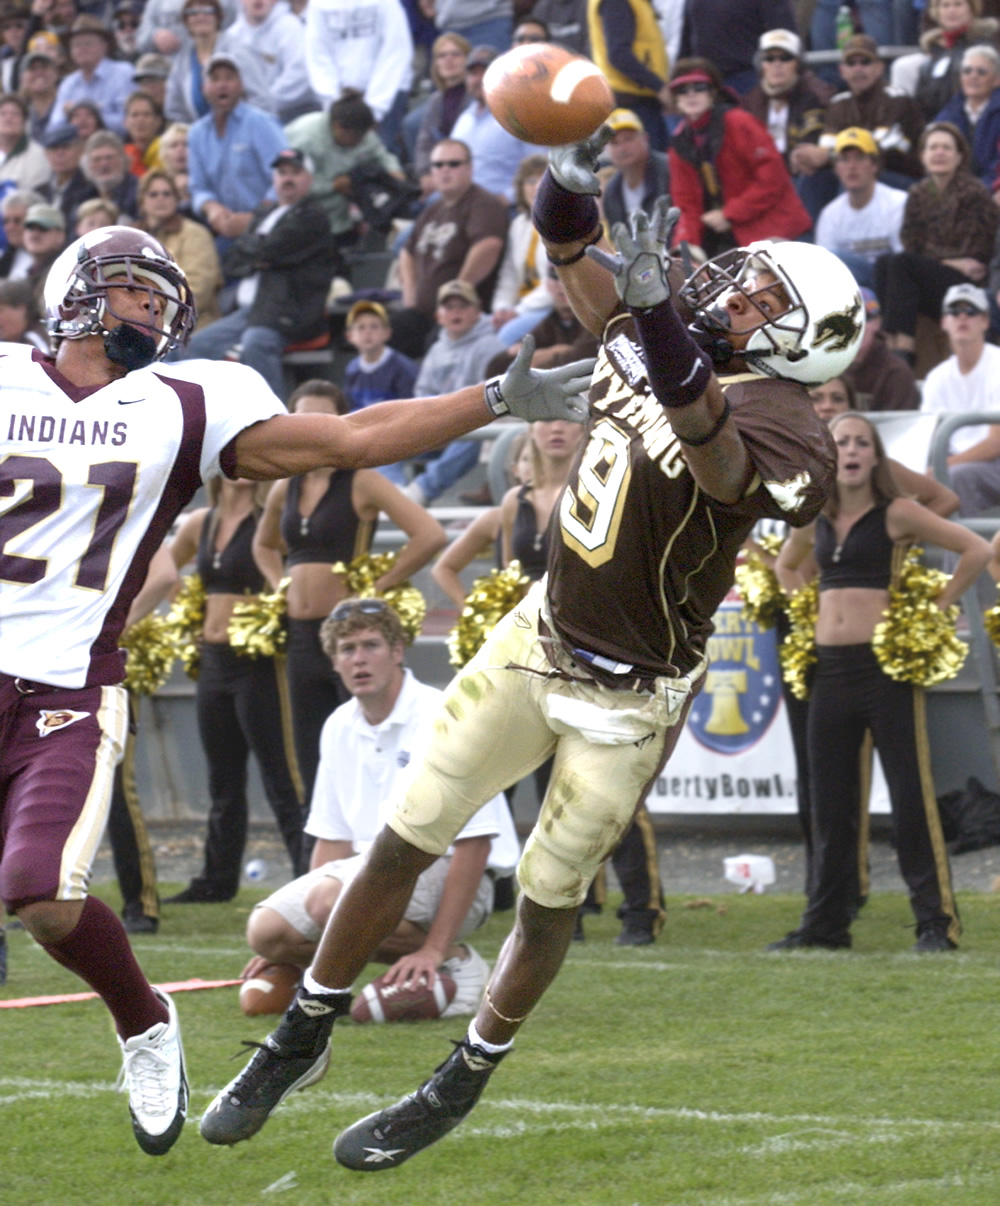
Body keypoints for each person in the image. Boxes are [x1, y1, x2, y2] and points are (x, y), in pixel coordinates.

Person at [198, 129, 863, 1164]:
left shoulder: (790, 423)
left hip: (629, 693)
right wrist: (566, 177)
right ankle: (299, 1030)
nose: (732, 293)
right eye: (745, 278)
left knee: (551, 898)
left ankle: (463, 1073)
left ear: (799, 346)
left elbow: (719, 458)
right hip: (538, 630)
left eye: (761, 300)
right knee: (401, 835)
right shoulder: (659, 328)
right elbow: (568, 255)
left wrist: (652, 312)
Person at [0, 220, 591, 1157]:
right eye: (134, 293)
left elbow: (351, 436)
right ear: (73, 292)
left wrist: (491, 399)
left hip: (65, 688)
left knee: (42, 895)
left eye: (164, 298)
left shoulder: (187, 401)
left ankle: (145, 1019)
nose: (153, 312)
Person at [768, 411, 990, 952]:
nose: (850, 450)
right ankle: (826, 926)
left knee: (911, 799)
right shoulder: (812, 515)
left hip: (884, 670)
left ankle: (935, 924)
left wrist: (937, 607)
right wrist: (806, 607)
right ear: (828, 452)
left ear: (874, 457)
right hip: (829, 672)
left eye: (861, 443)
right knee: (831, 803)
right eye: (841, 441)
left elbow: (977, 549)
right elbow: (785, 567)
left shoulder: (898, 512)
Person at [240, 599, 517, 1016]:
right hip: (367, 874)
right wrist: (298, 948)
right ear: (333, 662)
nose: (359, 659)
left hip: (454, 874)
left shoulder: (444, 715)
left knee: (331, 901)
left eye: (371, 645)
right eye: (347, 650)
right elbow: (332, 840)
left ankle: (454, 960)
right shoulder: (337, 725)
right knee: (267, 932)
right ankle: (333, 974)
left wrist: (433, 946)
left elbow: (476, 843)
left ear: (398, 651)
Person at [252, 380, 448, 806]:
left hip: (351, 636)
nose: (313, 427)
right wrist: (278, 587)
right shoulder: (285, 486)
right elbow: (264, 545)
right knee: (309, 750)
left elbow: (429, 535)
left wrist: (376, 588)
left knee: (369, 742)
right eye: (302, 417)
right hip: (302, 638)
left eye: (325, 417)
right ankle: (317, 856)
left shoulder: (361, 481)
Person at [165, 476, 307, 903]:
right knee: (222, 780)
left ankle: (306, 877)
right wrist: (188, 617)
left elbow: (291, 573)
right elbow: (165, 570)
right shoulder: (199, 522)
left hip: (259, 663)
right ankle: (218, 879)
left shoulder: (271, 520)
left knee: (280, 774)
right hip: (212, 662)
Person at [180, 148, 337, 396]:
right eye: (282, 172)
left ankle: (274, 423)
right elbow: (233, 259)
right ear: (273, 179)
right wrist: (260, 252)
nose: (287, 178)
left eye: (296, 172)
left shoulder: (313, 215)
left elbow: (272, 250)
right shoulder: (265, 212)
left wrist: (256, 248)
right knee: (192, 346)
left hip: (288, 312)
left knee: (256, 343)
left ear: (309, 179)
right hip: (249, 312)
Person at [873, 121, 999, 366]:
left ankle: (904, 347)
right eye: (933, 148)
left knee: (902, 262)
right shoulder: (918, 192)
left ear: (959, 156)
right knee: (884, 262)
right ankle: (890, 342)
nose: (939, 153)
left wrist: (942, 261)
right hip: (933, 273)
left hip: (967, 282)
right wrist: (949, 260)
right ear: (923, 155)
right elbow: (910, 242)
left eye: (946, 148)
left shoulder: (974, 193)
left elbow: (977, 251)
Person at [668, 57, 811, 258]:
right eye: (682, 90)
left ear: (712, 93)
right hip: (735, 241)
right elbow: (686, 203)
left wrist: (730, 214)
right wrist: (685, 246)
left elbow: (773, 178)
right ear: (676, 99)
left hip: (779, 232)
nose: (691, 95)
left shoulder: (739, 123)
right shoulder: (679, 144)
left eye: (699, 87)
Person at [392, 136, 509, 358]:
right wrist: (410, 297)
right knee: (384, 334)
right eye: (438, 164)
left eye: (454, 164)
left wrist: (456, 295)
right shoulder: (432, 209)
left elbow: (488, 247)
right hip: (423, 313)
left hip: (461, 315)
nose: (445, 170)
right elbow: (407, 251)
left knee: (434, 348)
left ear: (470, 168)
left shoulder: (483, 204)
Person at [402, 279, 507, 507]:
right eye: (449, 307)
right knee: (384, 437)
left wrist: (448, 423)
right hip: (436, 425)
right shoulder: (436, 350)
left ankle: (422, 490)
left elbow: (489, 400)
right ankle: (395, 491)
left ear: (478, 311)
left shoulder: (490, 346)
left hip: (469, 425)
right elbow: (422, 394)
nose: (456, 312)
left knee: (479, 429)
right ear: (439, 315)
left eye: (463, 306)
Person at [793, 34, 926, 199]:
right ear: (842, 71)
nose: (858, 69)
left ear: (879, 68)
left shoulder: (897, 99)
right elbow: (827, 146)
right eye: (851, 63)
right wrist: (806, 156)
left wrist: (828, 156)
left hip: (903, 180)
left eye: (865, 62)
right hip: (864, 176)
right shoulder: (838, 103)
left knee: (854, 175)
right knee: (812, 178)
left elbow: (884, 151)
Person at [187, 52, 287, 247]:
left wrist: (254, 218)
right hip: (223, 231)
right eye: (214, 79)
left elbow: (284, 177)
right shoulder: (196, 133)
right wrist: (211, 208)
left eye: (229, 78)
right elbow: (197, 187)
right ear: (204, 88)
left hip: (271, 227)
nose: (222, 84)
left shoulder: (260, 123)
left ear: (241, 85)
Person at [284, 92, 406, 247]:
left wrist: (395, 172)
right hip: (302, 216)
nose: (361, 142)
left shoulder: (362, 132)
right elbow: (288, 185)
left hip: (343, 216)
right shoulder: (304, 139)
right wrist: (332, 185)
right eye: (357, 138)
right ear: (338, 127)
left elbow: (382, 155)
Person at [919, 282, 1000, 516]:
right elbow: (928, 438)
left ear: (985, 321)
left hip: (992, 463)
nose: (962, 317)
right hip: (952, 461)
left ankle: (967, 551)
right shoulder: (936, 377)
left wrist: (942, 468)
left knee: (957, 477)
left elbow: (995, 444)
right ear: (944, 322)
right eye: (954, 311)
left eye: (971, 311)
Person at [304, 0, 413, 153]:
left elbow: (396, 50)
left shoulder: (388, 3)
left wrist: (374, 109)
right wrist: (336, 104)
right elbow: (318, 55)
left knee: (382, 155)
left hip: (387, 95)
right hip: (341, 100)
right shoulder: (318, 5)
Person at [450, 45, 547, 205]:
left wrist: (506, 198)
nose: (479, 79)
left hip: (504, 206)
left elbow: (540, 169)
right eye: (474, 74)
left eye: (486, 72)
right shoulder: (464, 119)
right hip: (461, 204)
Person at [814, 127, 908, 290]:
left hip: (891, 283)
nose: (852, 166)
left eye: (859, 158)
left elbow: (904, 260)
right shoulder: (830, 214)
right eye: (844, 159)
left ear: (874, 165)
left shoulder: (899, 203)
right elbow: (824, 271)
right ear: (836, 169)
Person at [342, 300, 419, 481]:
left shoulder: (403, 368)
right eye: (360, 327)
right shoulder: (352, 369)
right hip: (361, 439)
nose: (367, 332)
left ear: (387, 333)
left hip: (393, 439)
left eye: (374, 326)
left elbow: (410, 413)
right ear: (350, 336)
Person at [136, 168, 221, 328]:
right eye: (153, 194)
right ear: (142, 202)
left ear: (177, 199)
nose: (161, 198)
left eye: (167, 194)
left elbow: (197, 291)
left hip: (191, 328)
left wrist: (153, 310)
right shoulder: (132, 237)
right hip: (140, 325)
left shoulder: (195, 234)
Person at [164, 0, 267, 125]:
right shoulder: (182, 60)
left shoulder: (239, 50)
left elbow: (261, 99)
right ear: (186, 21)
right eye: (193, 12)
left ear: (218, 17)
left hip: (243, 133)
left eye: (208, 11)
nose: (201, 16)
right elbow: (174, 108)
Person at [587, 0, 670, 149]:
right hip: (633, 100)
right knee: (648, 164)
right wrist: (659, 87)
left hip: (639, 97)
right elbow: (619, 55)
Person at [490, 154, 552, 347]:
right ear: (520, 187)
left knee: (504, 339)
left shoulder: (563, 224)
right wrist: (502, 308)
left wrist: (518, 311)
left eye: (543, 180)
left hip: (550, 307)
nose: (536, 186)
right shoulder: (518, 224)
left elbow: (556, 284)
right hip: (519, 307)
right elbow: (508, 274)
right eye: (531, 181)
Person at [225, 0, 314, 125]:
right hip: (248, 115)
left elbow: (299, 74)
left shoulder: (290, 26)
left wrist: (265, 103)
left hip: (292, 113)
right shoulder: (233, 35)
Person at [49, 14, 135, 137]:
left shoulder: (123, 73)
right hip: (77, 150)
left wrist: (90, 114)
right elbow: (53, 128)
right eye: (76, 45)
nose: (82, 49)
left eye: (88, 43)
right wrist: (71, 118)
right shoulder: (68, 83)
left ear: (104, 46)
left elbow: (129, 123)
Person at [932, 43, 1000, 189]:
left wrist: (976, 192)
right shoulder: (947, 114)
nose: (973, 76)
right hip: (952, 189)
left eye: (981, 72)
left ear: (997, 80)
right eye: (967, 71)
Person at [411, 31, 471, 192]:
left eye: (455, 54)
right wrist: (425, 174)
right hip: (442, 173)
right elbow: (424, 143)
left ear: (468, 59)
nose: (448, 60)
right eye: (441, 56)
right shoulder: (435, 100)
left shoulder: (477, 96)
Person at [843, 288, 920, 410]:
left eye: (864, 317)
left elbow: (900, 426)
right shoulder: (822, 368)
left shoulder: (896, 373)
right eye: (847, 318)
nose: (856, 325)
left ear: (877, 323)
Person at [599, 107, 670, 235]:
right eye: (615, 143)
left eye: (628, 139)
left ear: (645, 139)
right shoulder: (611, 192)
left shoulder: (670, 170)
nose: (622, 148)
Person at [38, 122, 96, 236]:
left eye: (66, 147)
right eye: (53, 148)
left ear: (80, 150)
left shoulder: (91, 191)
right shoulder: (39, 192)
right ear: (46, 154)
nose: (60, 154)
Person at [82, 129, 138, 221]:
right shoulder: (84, 194)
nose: (104, 164)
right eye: (97, 159)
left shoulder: (138, 192)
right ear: (88, 165)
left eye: (109, 157)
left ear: (123, 160)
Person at [0, 92, 50, 191]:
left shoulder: (38, 155)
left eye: (15, 114)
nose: (8, 119)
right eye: (2, 114)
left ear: (24, 121)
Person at [20, 43, 60, 142]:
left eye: (44, 67)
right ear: (22, 79)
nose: (39, 72)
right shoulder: (19, 113)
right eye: (32, 69)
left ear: (55, 74)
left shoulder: (66, 107)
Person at [122, 89, 165, 176]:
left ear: (158, 121)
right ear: (125, 122)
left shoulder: (168, 151)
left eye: (146, 114)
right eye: (135, 115)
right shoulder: (121, 156)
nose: (140, 120)